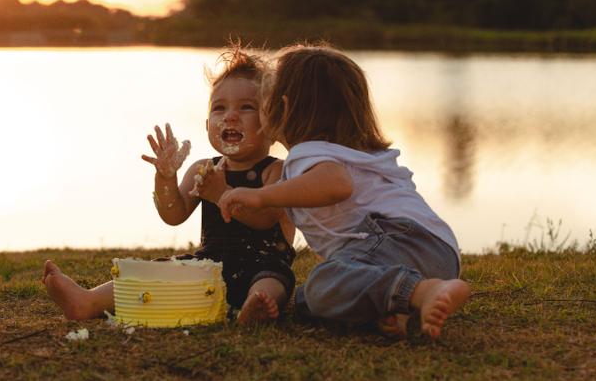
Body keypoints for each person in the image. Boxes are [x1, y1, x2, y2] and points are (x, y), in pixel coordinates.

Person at [218, 43, 470, 338]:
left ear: (283, 108)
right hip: (440, 253)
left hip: (396, 241)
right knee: (306, 301)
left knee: (323, 282)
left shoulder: (308, 153)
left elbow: (336, 185)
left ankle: (423, 291)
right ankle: (401, 314)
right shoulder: (354, 152)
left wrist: (261, 196)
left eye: (262, 103)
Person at [42, 47, 296, 326]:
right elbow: (173, 214)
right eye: (219, 108)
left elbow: (264, 219)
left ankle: (255, 307)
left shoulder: (278, 171)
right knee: (154, 272)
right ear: (207, 124)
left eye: (246, 107)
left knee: (272, 282)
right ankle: (88, 301)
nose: (230, 116)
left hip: (262, 266)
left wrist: (222, 194)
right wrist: (166, 177)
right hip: (208, 270)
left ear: (272, 122)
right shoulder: (204, 169)